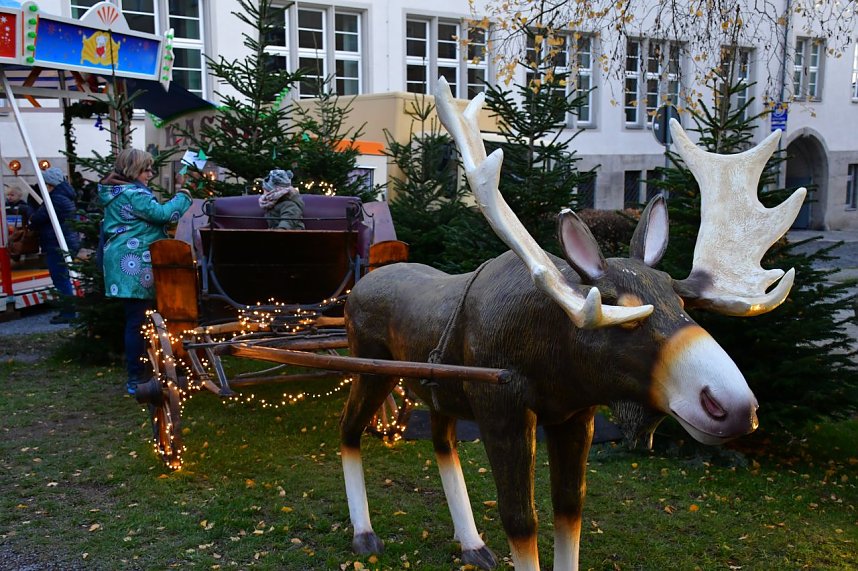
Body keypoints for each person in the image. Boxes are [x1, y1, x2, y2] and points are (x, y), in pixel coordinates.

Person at [98, 149, 193, 396]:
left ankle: (145, 370)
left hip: (126, 262)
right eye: (146, 170)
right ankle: (137, 377)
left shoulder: (117, 192)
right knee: (139, 321)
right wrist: (183, 194)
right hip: (135, 264)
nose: (151, 174)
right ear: (133, 171)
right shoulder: (132, 194)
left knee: (138, 319)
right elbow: (162, 215)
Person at [28, 167, 81, 324]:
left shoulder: (56, 199)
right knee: (62, 276)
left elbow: (39, 217)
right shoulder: (65, 196)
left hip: (57, 243)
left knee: (60, 278)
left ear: (50, 184)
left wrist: (31, 219)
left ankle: (68, 313)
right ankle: (68, 311)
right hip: (65, 240)